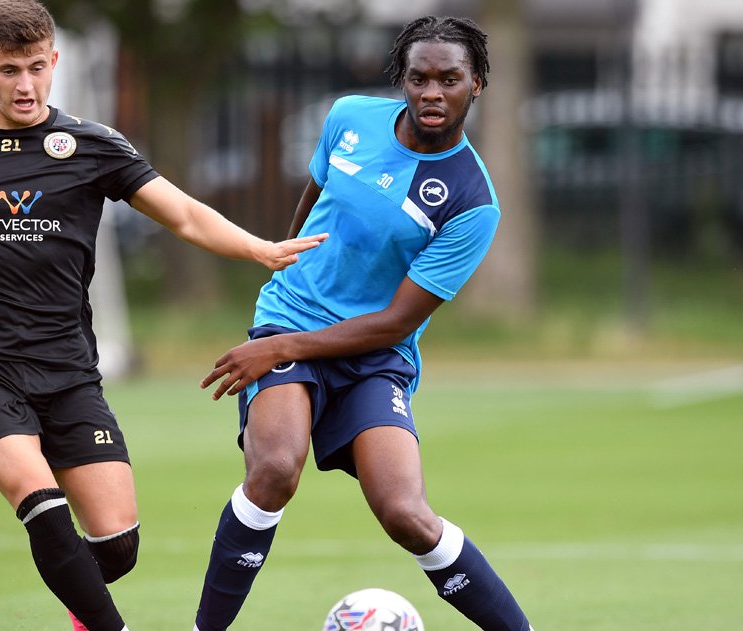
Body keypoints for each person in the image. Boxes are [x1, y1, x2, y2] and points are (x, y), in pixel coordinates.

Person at [0, 2, 326, 630]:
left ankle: (80, 601)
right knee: (44, 508)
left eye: (34, 67)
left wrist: (259, 249)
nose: (24, 85)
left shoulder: (93, 146)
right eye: (7, 71)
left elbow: (184, 214)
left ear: (54, 61)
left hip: (69, 370)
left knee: (117, 546)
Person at [194, 15, 533, 631]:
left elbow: (395, 322)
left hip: (375, 352)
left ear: (477, 84)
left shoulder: (471, 202)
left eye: (449, 80)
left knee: (406, 513)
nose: (433, 93)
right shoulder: (348, 116)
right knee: (273, 471)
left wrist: (276, 350)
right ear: (402, 80)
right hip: (291, 318)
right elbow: (316, 198)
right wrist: (285, 280)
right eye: (419, 78)